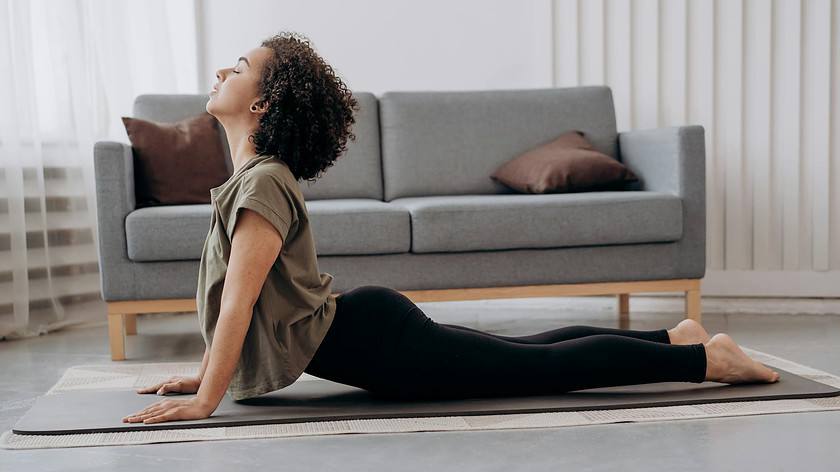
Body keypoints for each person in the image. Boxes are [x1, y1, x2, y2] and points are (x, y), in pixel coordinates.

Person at [122, 32, 779, 425]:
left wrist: (208, 398)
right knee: (533, 352)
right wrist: (205, 370)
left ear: (262, 103)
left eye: (236, 68)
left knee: (541, 368)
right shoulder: (252, 180)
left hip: (382, 344)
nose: (220, 72)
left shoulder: (263, 182)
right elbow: (235, 304)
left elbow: (239, 301)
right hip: (371, 330)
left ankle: (701, 359)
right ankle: (676, 335)